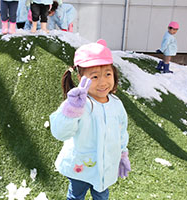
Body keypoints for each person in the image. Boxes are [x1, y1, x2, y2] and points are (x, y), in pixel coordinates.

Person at [49, 39, 131, 200]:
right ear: (81, 78)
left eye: (108, 74)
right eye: (94, 76)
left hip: (106, 165)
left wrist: (123, 154)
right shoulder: (77, 104)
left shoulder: (116, 104)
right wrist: (71, 109)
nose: (103, 82)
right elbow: (60, 132)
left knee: (102, 194)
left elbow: (121, 131)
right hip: (81, 166)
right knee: (76, 195)